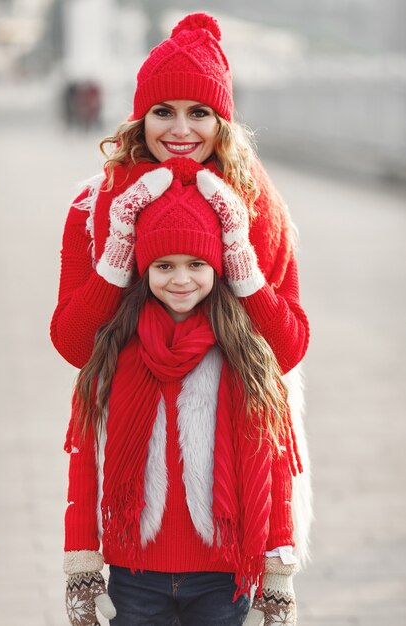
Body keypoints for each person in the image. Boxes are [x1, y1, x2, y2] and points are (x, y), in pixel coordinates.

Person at [51, 11, 312, 625]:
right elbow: (71, 342)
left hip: (231, 477)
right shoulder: (94, 205)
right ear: (139, 115)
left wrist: (241, 256)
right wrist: (117, 253)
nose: (180, 129)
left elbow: (289, 346)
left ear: (223, 120)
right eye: (163, 111)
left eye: (199, 112)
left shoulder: (258, 206)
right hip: (137, 478)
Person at [64, 162, 301, 626]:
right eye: (163, 265)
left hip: (222, 574)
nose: (180, 279)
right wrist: (81, 565)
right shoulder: (115, 349)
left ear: (218, 266)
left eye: (197, 265)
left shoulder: (243, 355)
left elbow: (275, 466)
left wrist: (277, 574)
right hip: (135, 574)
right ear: (143, 268)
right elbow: (85, 458)